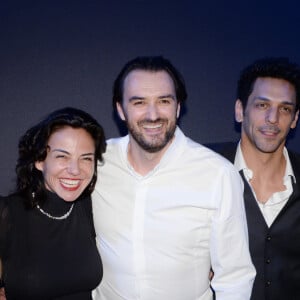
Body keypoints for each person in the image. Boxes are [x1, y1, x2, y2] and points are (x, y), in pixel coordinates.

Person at [92, 56, 255, 300]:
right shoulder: (96, 164)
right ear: (120, 109)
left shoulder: (217, 174)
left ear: (178, 107)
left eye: (164, 101)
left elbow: (235, 277)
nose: (153, 114)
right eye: (139, 102)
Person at [215, 57, 300, 300]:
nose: (273, 118)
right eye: (262, 105)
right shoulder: (206, 170)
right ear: (240, 110)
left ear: (294, 119)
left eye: (285, 109)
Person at [0, 107, 106, 299]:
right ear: (40, 160)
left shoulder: (89, 206)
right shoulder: (7, 214)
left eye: (86, 158)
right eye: (62, 156)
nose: (75, 170)